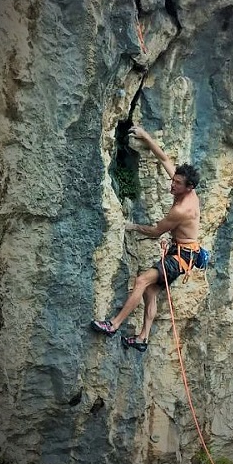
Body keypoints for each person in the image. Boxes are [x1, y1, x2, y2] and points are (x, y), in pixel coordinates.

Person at [91, 125, 201, 353]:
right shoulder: (185, 189)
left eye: (177, 183)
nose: (173, 184)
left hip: (181, 257)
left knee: (142, 281)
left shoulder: (182, 210)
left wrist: (131, 226)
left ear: (188, 187)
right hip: (181, 254)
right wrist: (145, 136)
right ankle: (142, 338)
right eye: (174, 180)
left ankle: (113, 324)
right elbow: (163, 159)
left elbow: (155, 232)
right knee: (150, 291)